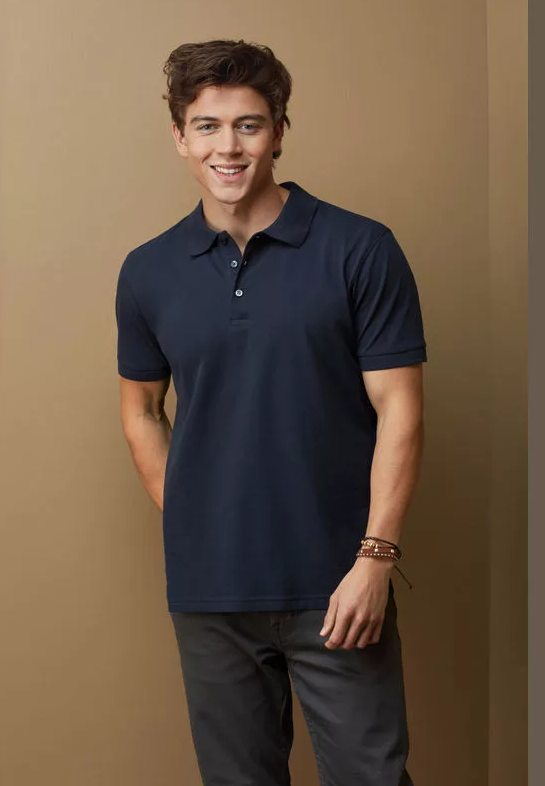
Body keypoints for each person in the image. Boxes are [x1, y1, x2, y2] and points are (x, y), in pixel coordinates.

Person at [115, 39, 426, 786]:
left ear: (279, 132)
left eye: (248, 125)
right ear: (180, 137)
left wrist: (375, 559)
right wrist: (194, 516)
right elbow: (142, 411)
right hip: (211, 594)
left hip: (338, 581)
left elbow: (401, 412)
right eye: (208, 126)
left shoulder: (359, 248)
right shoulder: (147, 271)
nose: (228, 146)